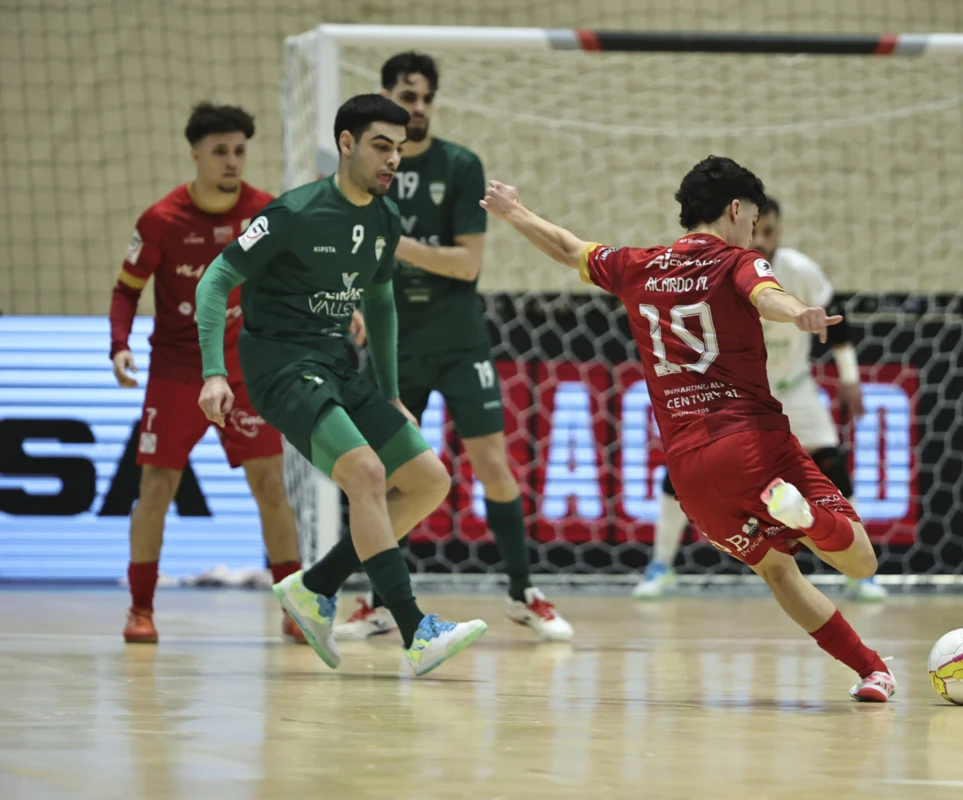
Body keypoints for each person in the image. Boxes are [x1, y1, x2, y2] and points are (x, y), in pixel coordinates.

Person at [482, 156, 896, 701]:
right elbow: (765, 294)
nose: (753, 230)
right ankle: (807, 518)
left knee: (778, 572)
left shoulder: (639, 265)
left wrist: (515, 212)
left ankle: (871, 670)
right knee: (860, 559)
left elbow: (567, 247)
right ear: (734, 209)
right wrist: (797, 313)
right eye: (751, 218)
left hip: (691, 475)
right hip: (753, 446)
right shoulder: (736, 261)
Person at [194, 94, 487, 677]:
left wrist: (391, 389)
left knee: (428, 481)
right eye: (381, 146)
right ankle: (414, 631)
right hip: (280, 364)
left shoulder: (383, 218)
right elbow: (215, 279)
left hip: (336, 362)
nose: (393, 160)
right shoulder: (293, 212)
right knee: (367, 475)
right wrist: (212, 371)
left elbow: (380, 303)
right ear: (346, 145)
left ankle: (316, 586)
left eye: (400, 150)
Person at [335, 51, 573, 642]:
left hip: (458, 337)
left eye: (424, 98)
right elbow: (351, 250)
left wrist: (398, 242)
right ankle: (381, 603)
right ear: (386, 97)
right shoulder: (366, 169)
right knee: (392, 473)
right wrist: (358, 298)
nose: (415, 108)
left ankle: (522, 593)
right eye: (405, 96)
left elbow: (467, 264)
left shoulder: (460, 164)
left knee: (492, 460)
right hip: (396, 340)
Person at [108, 102, 304, 645]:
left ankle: (296, 608)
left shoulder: (267, 212)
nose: (232, 161)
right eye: (220, 151)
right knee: (156, 486)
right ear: (195, 153)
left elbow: (304, 270)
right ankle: (141, 609)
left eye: (240, 150)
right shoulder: (160, 221)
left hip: (244, 370)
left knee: (270, 485)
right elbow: (127, 289)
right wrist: (118, 344)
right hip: (177, 370)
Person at [634, 196, 888, 602]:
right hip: (736, 401)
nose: (763, 241)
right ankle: (661, 564)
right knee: (682, 472)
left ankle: (861, 574)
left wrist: (850, 378)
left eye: (770, 232)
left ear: (779, 231)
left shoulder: (799, 271)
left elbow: (839, 325)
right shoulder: (719, 271)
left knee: (834, 464)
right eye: (758, 231)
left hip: (794, 390)